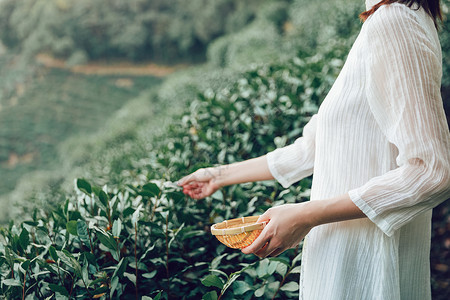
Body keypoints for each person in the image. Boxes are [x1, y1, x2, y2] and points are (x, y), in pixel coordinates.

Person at [178, 0, 450, 299]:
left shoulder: (395, 21)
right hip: (346, 256)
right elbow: (312, 148)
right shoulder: (391, 19)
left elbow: (432, 171)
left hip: (364, 265)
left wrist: (306, 216)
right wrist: (217, 175)